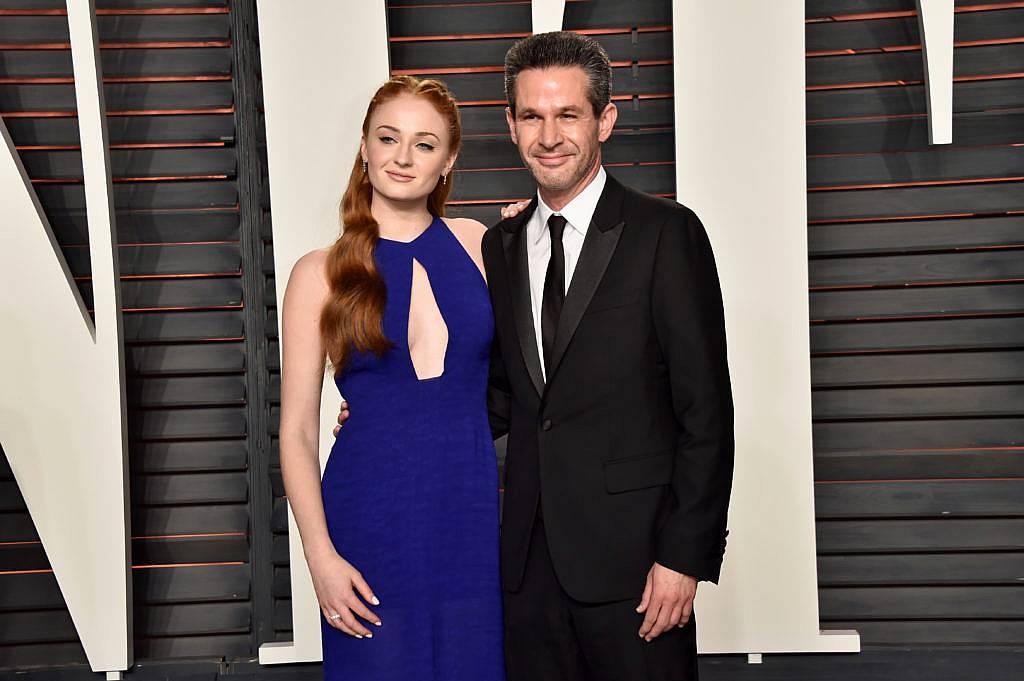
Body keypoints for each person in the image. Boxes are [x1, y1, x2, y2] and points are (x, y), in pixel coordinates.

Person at [338, 31, 734, 681]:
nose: (549, 135)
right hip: (523, 573)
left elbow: (707, 414)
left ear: (604, 120)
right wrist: (390, 415)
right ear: (512, 125)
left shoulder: (667, 234)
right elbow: (498, 393)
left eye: (568, 114)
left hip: (636, 569)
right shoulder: (498, 246)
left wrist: (683, 557)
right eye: (532, 116)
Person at [280, 75, 504, 681]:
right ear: (365, 147)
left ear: (449, 160)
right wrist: (320, 558)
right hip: (368, 514)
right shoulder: (318, 274)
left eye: (425, 144)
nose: (403, 158)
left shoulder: (483, 245)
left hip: (471, 511)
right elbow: (298, 431)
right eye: (388, 137)